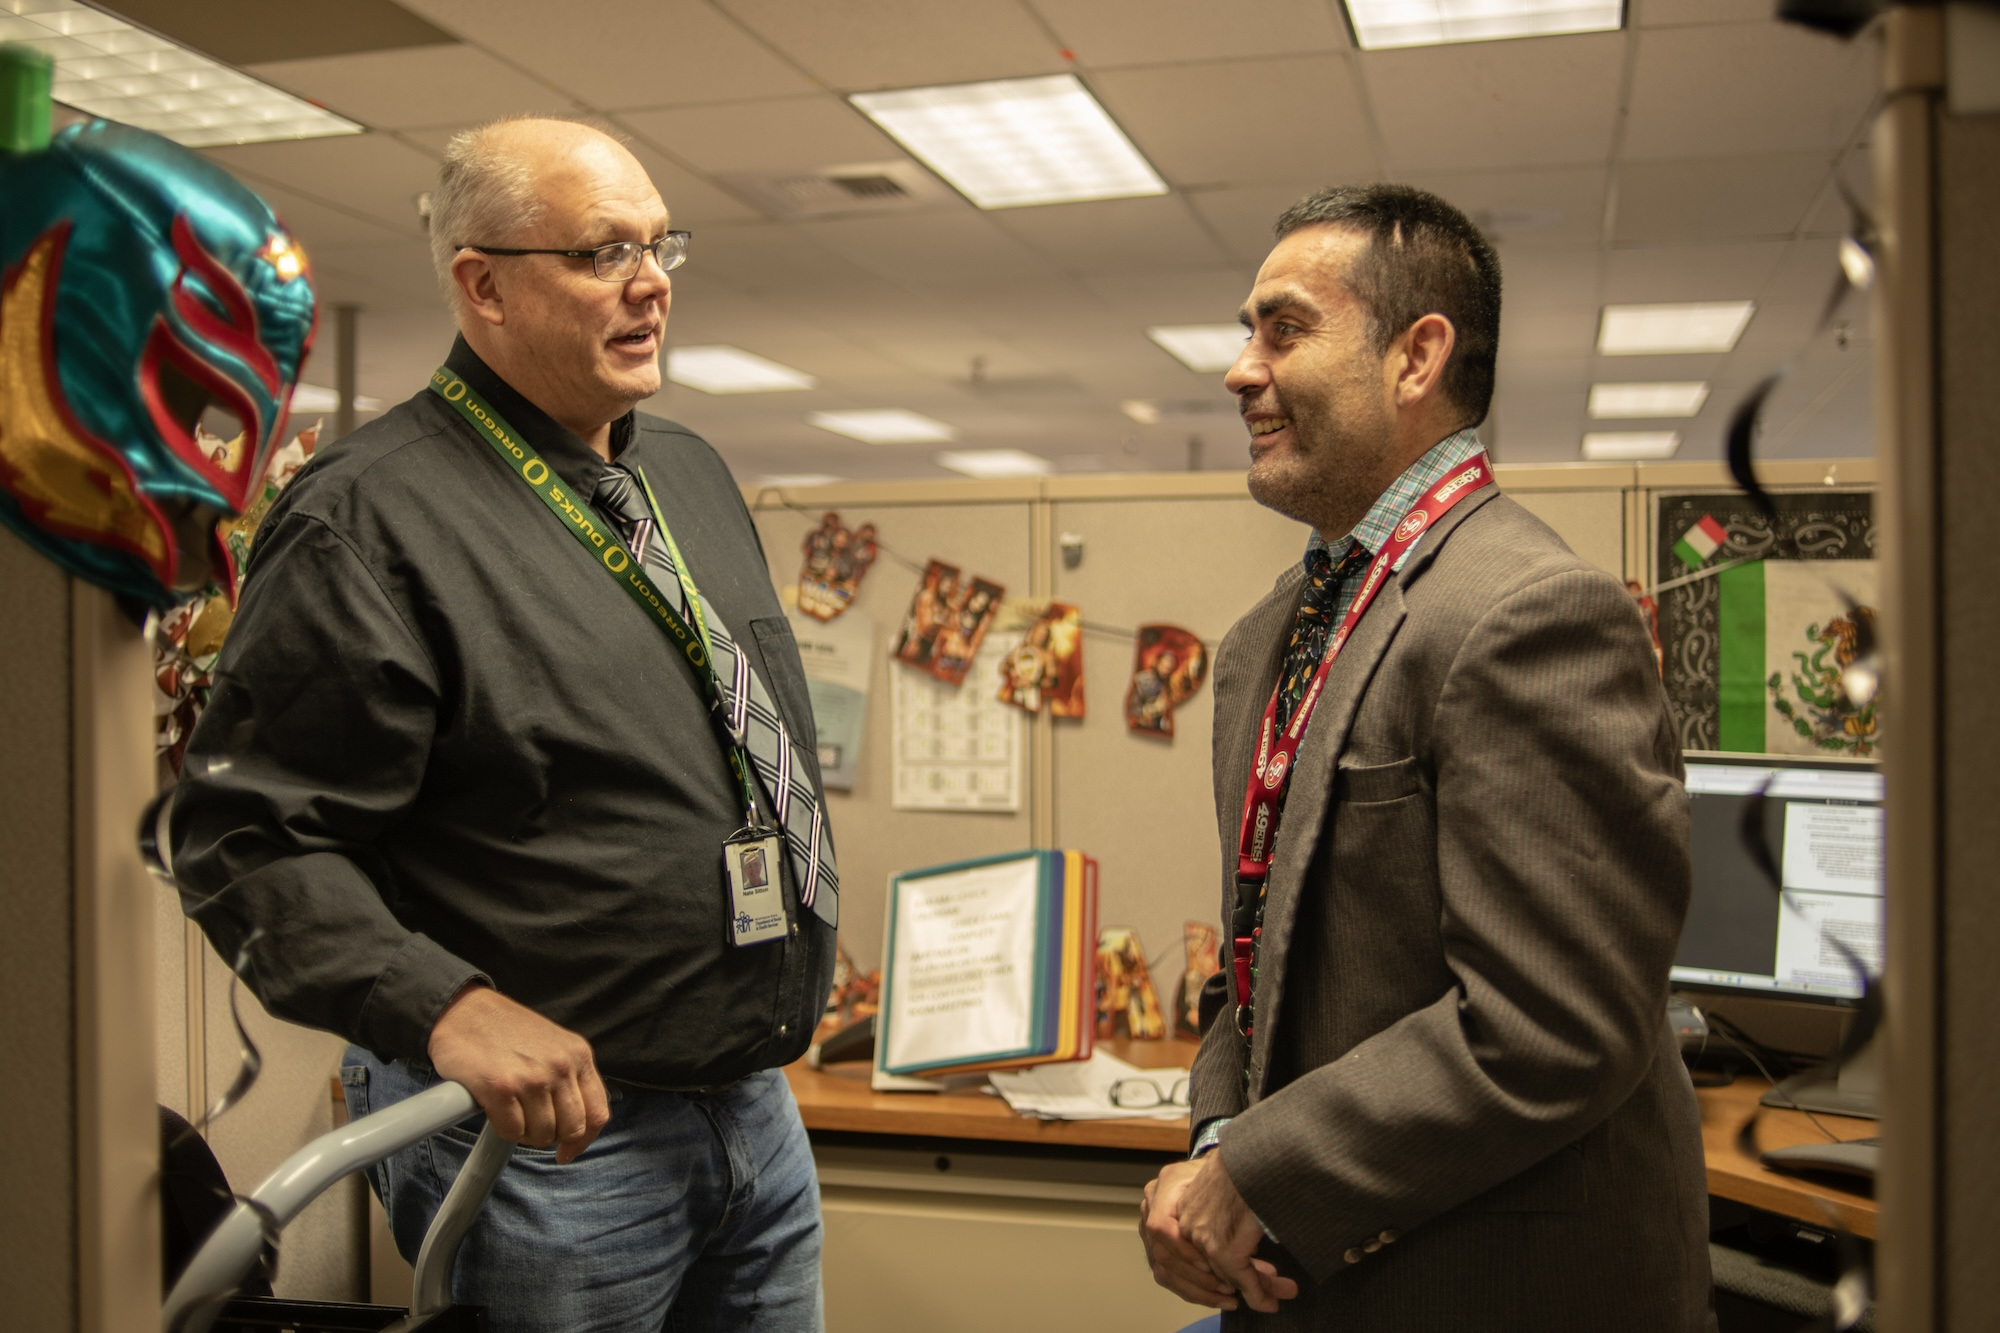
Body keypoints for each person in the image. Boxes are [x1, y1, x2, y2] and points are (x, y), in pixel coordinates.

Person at [170, 116, 837, 1332]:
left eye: (658, 246)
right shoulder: (369, 517)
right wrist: (445, 1004)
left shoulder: (682, 470)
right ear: (481, 285)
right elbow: (242, 835)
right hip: (553, 1155)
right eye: (600, 254)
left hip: (752, 1107)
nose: (650, 285)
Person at [1138, 184, 1712, 1331]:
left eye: (1281, 328)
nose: (1238, 368)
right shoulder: (1269, 641)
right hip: (1305, 1282)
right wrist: (1216, 1137)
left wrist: (1255, 1169)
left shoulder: (1529, 614)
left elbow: (1552, 1022)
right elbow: (1254, 965)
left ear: (1416, 356)